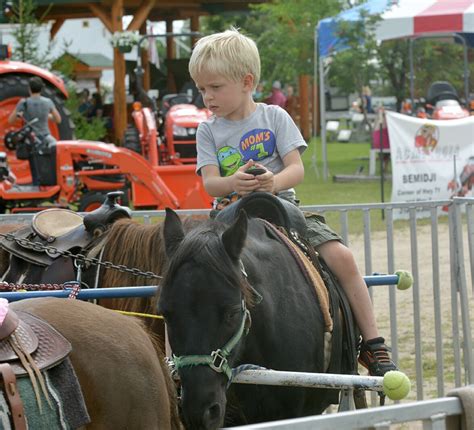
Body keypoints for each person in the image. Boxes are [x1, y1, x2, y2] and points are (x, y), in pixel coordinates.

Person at [189, 28, 398, 377]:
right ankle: (180, 361)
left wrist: (272, 183)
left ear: (246, 81)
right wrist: (232, 183)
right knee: (186, 270)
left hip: (282, 209)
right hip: (229, 217)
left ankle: (373, 343)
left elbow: (296, 170)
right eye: (201, 89)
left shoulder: (274, 118)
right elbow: (211, 183)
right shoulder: (207, 130)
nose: (207, 97)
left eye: (215, 87)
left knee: (342, 257)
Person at [8, 77, 61, 185]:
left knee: (34, 166)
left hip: (31, 139)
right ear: (41, 89)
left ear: (29, 89)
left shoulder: (24, 102)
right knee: (47, 164)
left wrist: (20, 116)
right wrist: (47, 116)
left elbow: (10, 120)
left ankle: (36, 186)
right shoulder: (48, 102)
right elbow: (58, 119)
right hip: (46, 138)